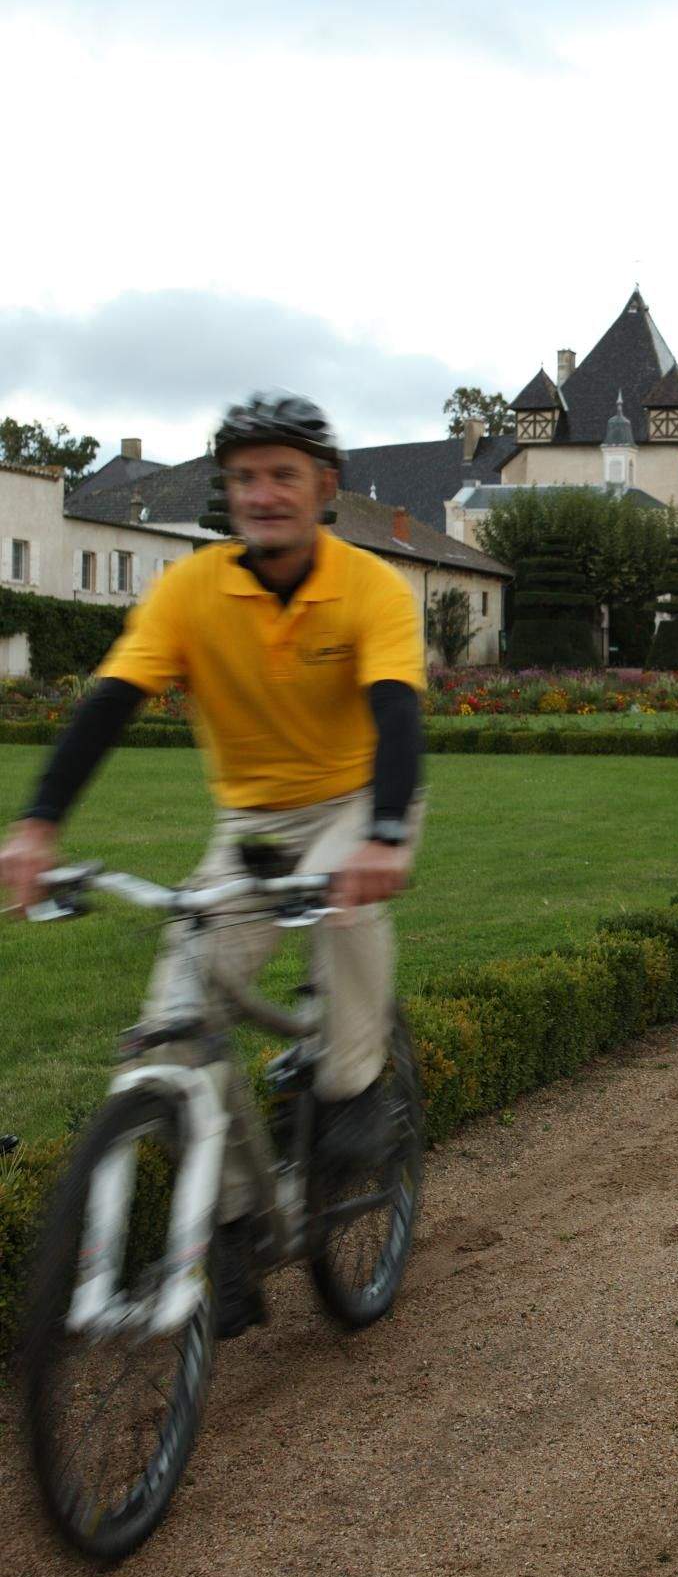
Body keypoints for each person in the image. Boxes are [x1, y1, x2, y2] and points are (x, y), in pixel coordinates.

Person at [0, 393, 427, 1333]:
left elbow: (397, 712)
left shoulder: (371, 589)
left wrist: (384, 836)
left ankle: (355, 1089)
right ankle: (232, 1221)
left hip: (356, 796)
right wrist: (38, 827)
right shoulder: (191, 592)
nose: (263, 494)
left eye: (283, 475)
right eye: (244, 478)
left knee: (348, 910)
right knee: (176, 1016)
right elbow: (110, 700)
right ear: (225, 494)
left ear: (324, 489)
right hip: (252, 817)